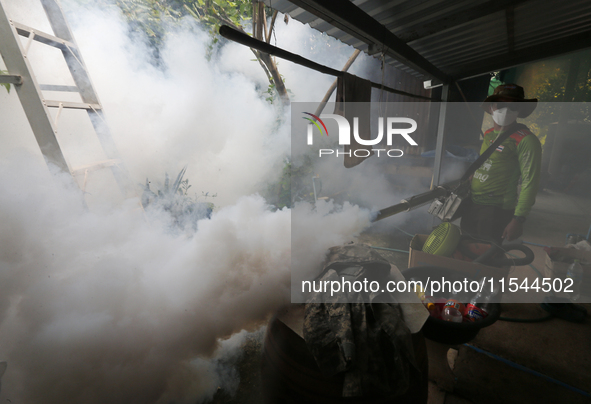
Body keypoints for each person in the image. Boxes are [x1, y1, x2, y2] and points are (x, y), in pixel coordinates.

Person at [460, 84, 542, 245]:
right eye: (501, 104)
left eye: (513, 106)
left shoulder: (526, 140)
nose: (506, 110)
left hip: (495, 211)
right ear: (491, 107)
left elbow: (530, 182)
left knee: (486, 257)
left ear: (519, 110)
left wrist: (518, 219)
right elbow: (489, 162)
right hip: (473, 203)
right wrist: (474, 176)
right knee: (466, 250)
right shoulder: (489, 134)